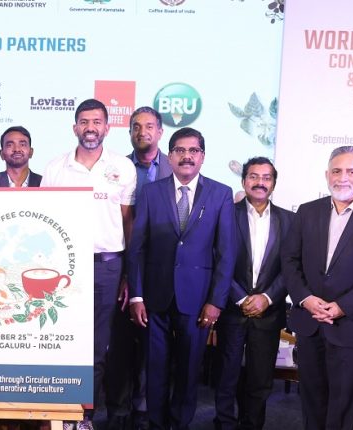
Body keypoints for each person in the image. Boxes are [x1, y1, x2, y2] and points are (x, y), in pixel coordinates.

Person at [127, 127, 236, 430]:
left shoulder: (221, 194)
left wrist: (216, 301)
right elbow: (137, 248)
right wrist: (136, 295)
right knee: (156, 369)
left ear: (203, 156)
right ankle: (156, 424)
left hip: (198, 299)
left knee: (189, 371)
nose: (187, 156)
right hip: (155, 298)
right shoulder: (151, 192)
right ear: (170, 155)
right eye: (180, 150)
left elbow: (226, 253)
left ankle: (180, 424)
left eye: (193, 151)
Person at [282, 145, 353, 430]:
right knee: (311, 401)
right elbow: (290, 260)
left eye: (351, 171)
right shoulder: (307, 212)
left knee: (343, 406)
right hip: (309, 322)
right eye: (336, 170)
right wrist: (305, 298)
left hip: (352, 325)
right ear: (327, 174)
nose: (342, 177)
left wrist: (342, 306)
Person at [41, 98, 137, 429]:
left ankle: (84, 416)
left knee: (97, 346)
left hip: (108, 267)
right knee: (63, 342)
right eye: (84, 122)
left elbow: (128, 222)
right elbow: (43, 221)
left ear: (107, 128)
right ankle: (60, 414)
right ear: (75, 127)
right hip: (63, 269)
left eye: (96, 122)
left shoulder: (123, 167)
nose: (90, 128)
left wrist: (128, 274)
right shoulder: (56, 168)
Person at [213, 157, 293, 430]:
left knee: (260, 379)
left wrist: (267, 298)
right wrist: (241, 297)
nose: (260, 182)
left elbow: (292, 267)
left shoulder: (290, 220)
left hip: (269, 312)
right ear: (243, 180)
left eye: (266, 178)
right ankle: (224, 424)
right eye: (254, 176)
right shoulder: (226, 214)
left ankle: (252, 425)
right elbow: (216, 258)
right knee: (226, 375)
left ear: (274, 184)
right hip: (232, 309)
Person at [106, 106, 173, 430]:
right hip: (121, 270)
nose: (142, 132)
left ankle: (145, 410)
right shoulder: (116, 168)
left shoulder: (177, 169)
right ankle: (118, 412)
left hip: (162, 274)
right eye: (135, 126)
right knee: (120, 346)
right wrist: (125, 275)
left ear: (160, 131)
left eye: (148, 126)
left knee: (153, 349)